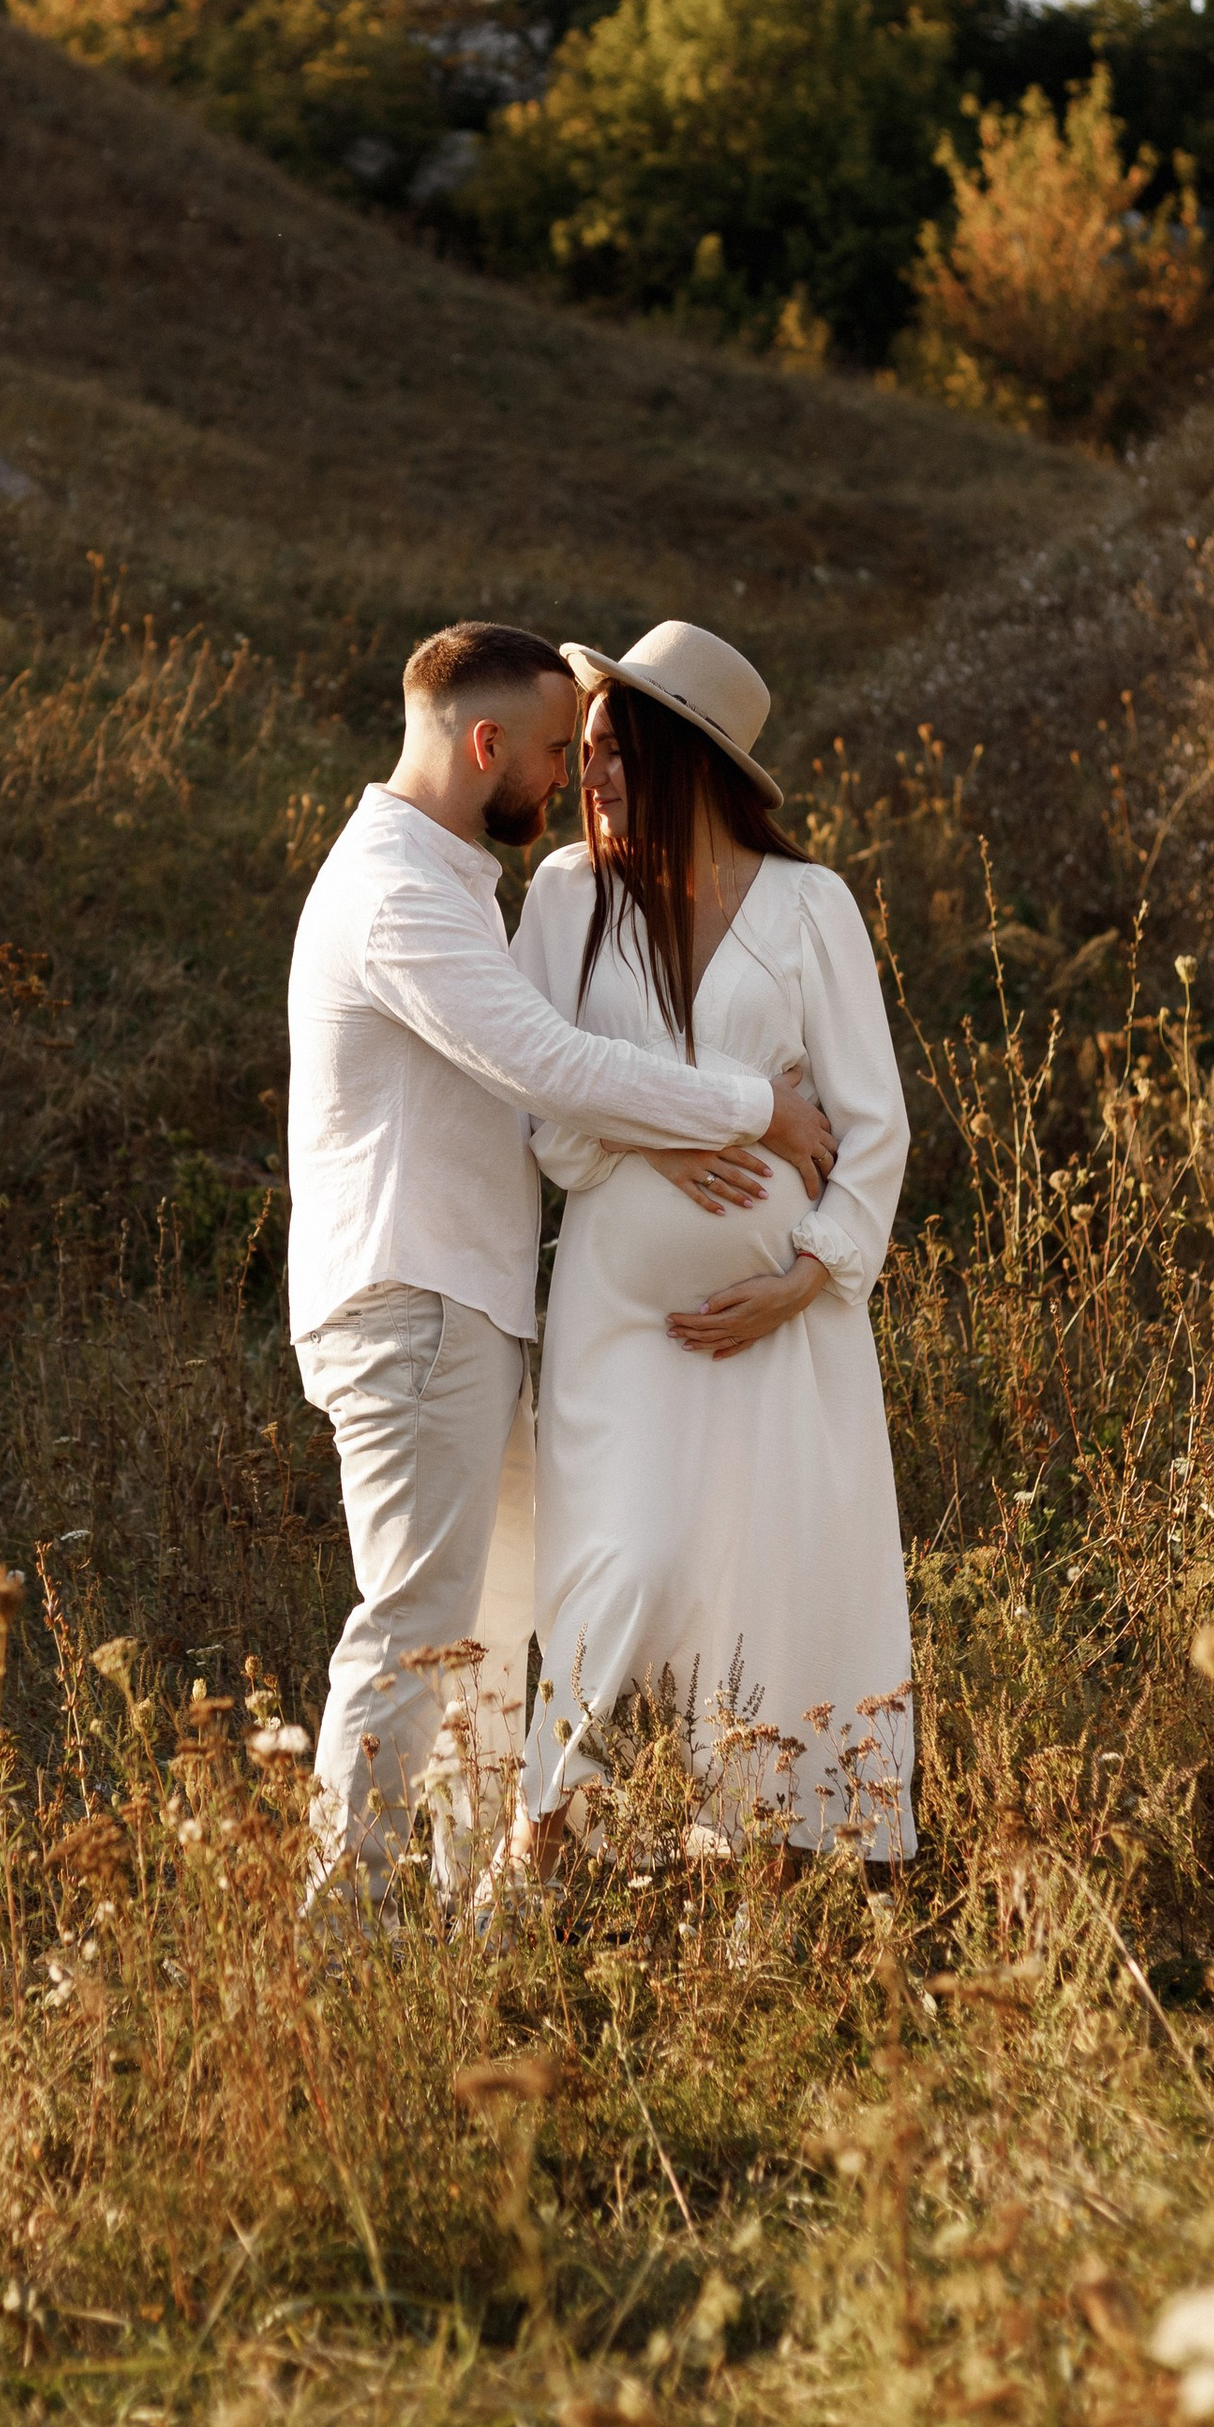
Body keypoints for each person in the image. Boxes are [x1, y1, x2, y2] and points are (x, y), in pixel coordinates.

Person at [287, 620, 838, 1904]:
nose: (562, 781)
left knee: (482, 1634)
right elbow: (548, 1067)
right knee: (420, 1624)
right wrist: (753, 1106)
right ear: (485, 745)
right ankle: (345, 1929)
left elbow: (558, 1102)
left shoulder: (444, 883)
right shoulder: (398, 898)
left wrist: (662, 1138)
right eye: (549, 749)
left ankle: (472, 1913)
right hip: (411, 1302)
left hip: (462, 1305)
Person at [509, 621, 915, 1870]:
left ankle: (781, 1860)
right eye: (584, 753)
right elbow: (544, 1117)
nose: (595, 778)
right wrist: (684, 1121)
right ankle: (550, 1839)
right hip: (618, 1323)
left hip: (783, 1325)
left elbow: (871, 1122)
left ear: (692, 760)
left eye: (621, 753)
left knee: (773, 1580)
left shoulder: (808, 905)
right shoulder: (567, 895)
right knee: (621, 1562)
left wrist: (805, 1280)